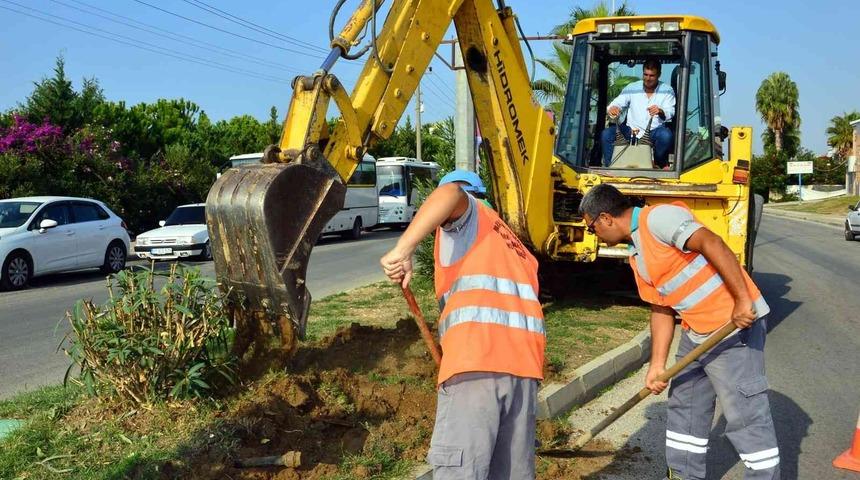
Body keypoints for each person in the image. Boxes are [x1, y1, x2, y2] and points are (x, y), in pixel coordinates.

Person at [579, 184, 779, 480]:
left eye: (592, 228)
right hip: (697, 331)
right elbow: (661, 309)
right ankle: (683, 475)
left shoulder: (658, 219)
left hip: (732, 328)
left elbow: (713, 243)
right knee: (685, 404)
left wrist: (741, 300)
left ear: (606, 218)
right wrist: (657, 365)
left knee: (745, 415)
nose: (594, 236)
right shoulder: (637, 254)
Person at [380, 170, 545, 479]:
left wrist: (403, 249)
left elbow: (451, 194)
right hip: (524, 375)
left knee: (462, 472)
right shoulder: (517, 249)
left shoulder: (469, 216)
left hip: (476, 369)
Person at [602, 59, 675, 168]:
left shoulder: (667, 90)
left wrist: (660, 111)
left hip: (654, 132)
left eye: (652, 75)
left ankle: (659, 165)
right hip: (630, 130)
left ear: (659, 75)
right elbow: (616, 103)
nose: (648, 78)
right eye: (645, 74)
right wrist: (614, 108)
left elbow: (670, 111)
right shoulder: (632, 88)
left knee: (666, 136)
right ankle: (611, 167)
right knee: (607, 134)